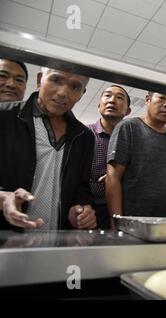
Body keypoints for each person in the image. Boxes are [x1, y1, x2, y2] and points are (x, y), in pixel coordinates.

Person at [0, 67, 96, 230]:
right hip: (7, 238)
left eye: (75, 87)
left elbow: (82, 187)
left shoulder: (84, 135)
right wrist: (2, 197)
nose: (63, 93)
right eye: (56, 80)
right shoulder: (5, 117)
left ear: (82, 93)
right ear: (39, 80)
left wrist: (81, 209)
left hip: (55, 242)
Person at [106, 91, 166, 226]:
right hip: (133, 222)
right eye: (162, 97)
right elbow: (112, 177)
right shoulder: (128, 127)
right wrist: (116, 223)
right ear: (148, 100)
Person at [88, 85, 131, 229]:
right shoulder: (85, 135)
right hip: (90, 211)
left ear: (128, 111)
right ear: (99, 104)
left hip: (124, 210)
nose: (112, 100)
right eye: (107, 96)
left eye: (119, 97)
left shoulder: (132, 140)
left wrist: (116, 177)